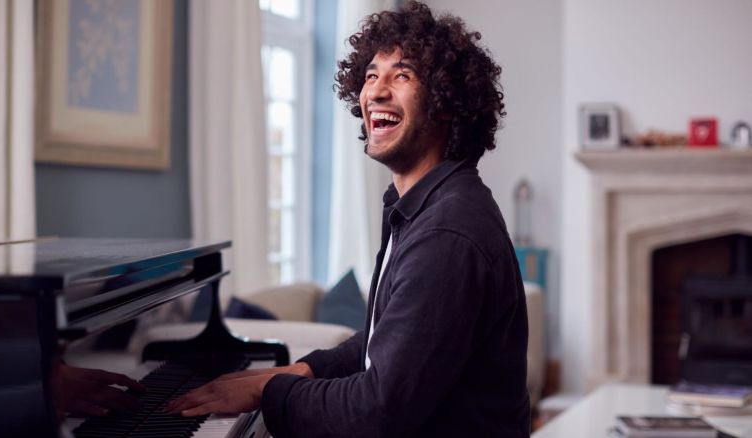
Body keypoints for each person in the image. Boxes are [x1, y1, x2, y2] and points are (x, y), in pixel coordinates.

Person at [167, 1, 530, 436]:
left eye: (402, 75)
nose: (375, 91)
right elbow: (387, 343)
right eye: (372, 74)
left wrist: (271, 392)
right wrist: (302, 370)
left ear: (447, 102)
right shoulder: (423, 206)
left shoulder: (446, 233)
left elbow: (376, 411)